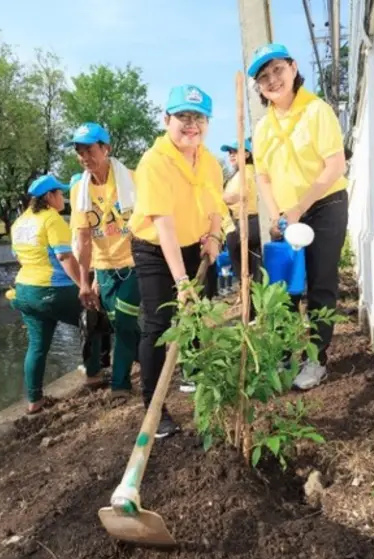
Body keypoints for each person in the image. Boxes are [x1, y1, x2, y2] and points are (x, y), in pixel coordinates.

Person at [248, 43, 349, 390]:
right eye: (264, 77)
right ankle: (284, 354)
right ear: (260, 88)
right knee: (283, 288)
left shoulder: (316, 111)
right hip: (286, 216)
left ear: (293, 68)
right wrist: (277, 213)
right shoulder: (262, 129)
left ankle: (317, 360)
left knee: (320, 283)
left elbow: (336, 165)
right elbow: (262, 176)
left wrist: (297, 208)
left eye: (277, 70)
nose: (272, 80)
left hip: (324, 205)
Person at [129, 84, 227, 438]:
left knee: (201, 314)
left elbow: (216, 206)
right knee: (158, 324)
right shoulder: (154, 163)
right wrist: (182, 281)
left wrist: (214, 236)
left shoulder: (210, 161)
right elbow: (164, 226)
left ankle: (198, 376)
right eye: (183, 116)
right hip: (156, 248)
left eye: (199, 117)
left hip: (196, 244)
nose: (191, 125)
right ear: (166, 119)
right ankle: (154, 409)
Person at [9, 174, 104, 414]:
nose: (63, 197)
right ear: (49, 197)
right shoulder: (52, 219)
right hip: (52, 289)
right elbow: (64, 256)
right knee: (93, 319)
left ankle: (34, 400)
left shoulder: (18, 223)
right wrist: (83, 285)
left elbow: (19, 257)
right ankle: (93, 375)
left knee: (37, 345)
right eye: (60, 193)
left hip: (24, 290)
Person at [69, 123, 140, 398]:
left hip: (134, 262)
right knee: (123, 324)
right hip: (105, 268)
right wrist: (86, 281)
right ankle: (150, 355)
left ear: (106, 148)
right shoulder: (79, 190)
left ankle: (120, 384)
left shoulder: (132, 180)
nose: (85, 156)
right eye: (79, 151)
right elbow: (83, 239)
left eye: (90, 149)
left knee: (123, 319)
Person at [69, 172, 112, 373]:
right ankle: (100, 362)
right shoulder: (80, 219)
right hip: (91, 273)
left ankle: (99, 363)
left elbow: (92, 247)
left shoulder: (96, 219)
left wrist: (92, 280)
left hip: (97, 272)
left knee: (96, 322)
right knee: (96, 322)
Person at [221, 138, 262, 317]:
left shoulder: (246, 173)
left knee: (245, 273)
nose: (231, 155)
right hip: (253, 223)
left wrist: (217, 196)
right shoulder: (247, 172)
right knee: (256, 270)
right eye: (229, 152)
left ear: (246, 154)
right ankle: (255, 310)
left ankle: (250, 309)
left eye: (234, 151)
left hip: (246, 223)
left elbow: (239, 195)